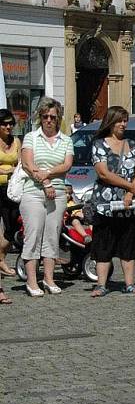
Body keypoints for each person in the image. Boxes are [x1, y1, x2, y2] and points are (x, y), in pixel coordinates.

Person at [89, 106, 135, 297]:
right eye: (120, 120)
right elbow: (103, 173)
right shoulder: (99, 144)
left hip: (129, 206)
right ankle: (101, 284)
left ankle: (129, 284)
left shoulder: (134, 145)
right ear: (111, 122)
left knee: (128, 245)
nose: (123, 124)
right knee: (103, 244)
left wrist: (131, 192)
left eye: (125, 120)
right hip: (105, 205)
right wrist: (130, 187)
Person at [19, 98, 73, 297]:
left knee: (52, 235)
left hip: (58, 194)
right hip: (33, 192)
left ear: (58, 118)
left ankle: (49, 278)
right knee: (33, 234)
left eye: (53, 117)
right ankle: (32, 281)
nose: (49, 120)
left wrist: (47, 174)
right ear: (40, 118)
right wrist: (46, 182)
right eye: (45, 117)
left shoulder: (66, 140)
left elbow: (66, 165)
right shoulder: (31, 137)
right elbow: (28, 164)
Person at [0, 109, 20, 276]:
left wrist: (8, 170)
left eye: (10, 124)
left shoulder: (16, 142)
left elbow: (20, 166)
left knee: (11, 228)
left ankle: (1, 260)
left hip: (11, 190)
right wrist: (7, 171)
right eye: (4, 124)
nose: (8, 126)